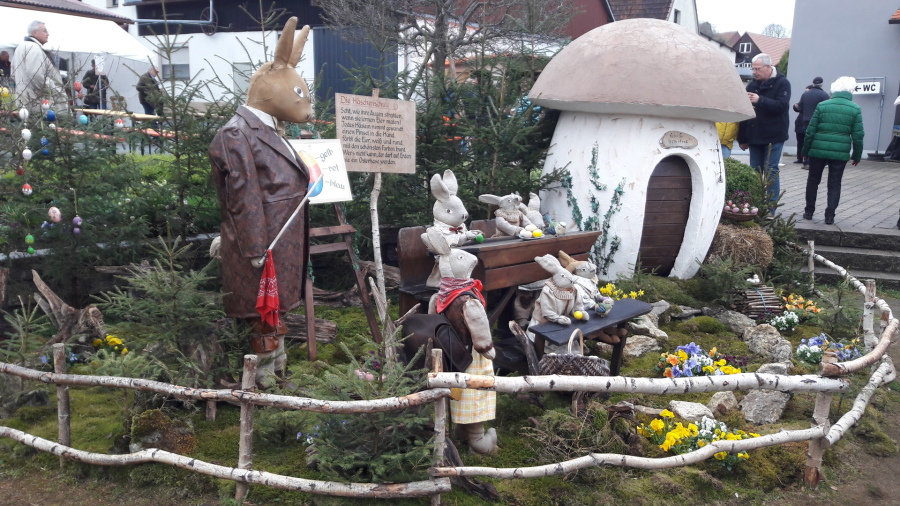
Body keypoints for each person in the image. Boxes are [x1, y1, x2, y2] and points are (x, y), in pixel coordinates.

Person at [801, 76, 864, 225]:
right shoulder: (855, 109)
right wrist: (856, 156)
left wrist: (805, 150)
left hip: (818, 150)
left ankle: (809, 211)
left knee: (813, 180)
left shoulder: (822, 106)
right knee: (835, 183)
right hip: (840, 152)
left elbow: (810, 131)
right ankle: (829, 216)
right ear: (851, 90)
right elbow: (858, 136)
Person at [737, 53, 791, 208]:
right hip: (755, 136)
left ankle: (770, 209)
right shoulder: (751, 85)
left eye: (757, 69)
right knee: (754, 171)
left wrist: (760, 100)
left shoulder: (783, 83)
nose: (754, 72)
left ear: (768, 67)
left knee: (771, 171)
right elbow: (746, 112)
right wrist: (742, 138)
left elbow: (782, 106)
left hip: (774, 136)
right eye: (753, 69)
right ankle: (753, 206)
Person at [11, 20, 68, 115]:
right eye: (44, 31)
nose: (48, 34)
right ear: (35, 32)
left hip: (24, 102)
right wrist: (51, 88)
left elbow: (13, 74)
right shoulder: (34, 48)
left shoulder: (20, 47)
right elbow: (36, 75)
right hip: (38, 103)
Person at [795, 77, 830, 167]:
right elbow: (827, 110)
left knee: (807, 141)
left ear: (813, 83)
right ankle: (816, 161)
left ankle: (806, 161)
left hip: (806, 121)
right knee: (818, 141)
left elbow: (800, 108)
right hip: (818, 122)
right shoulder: (824, 95)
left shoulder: (805, 94)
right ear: (822, 84)